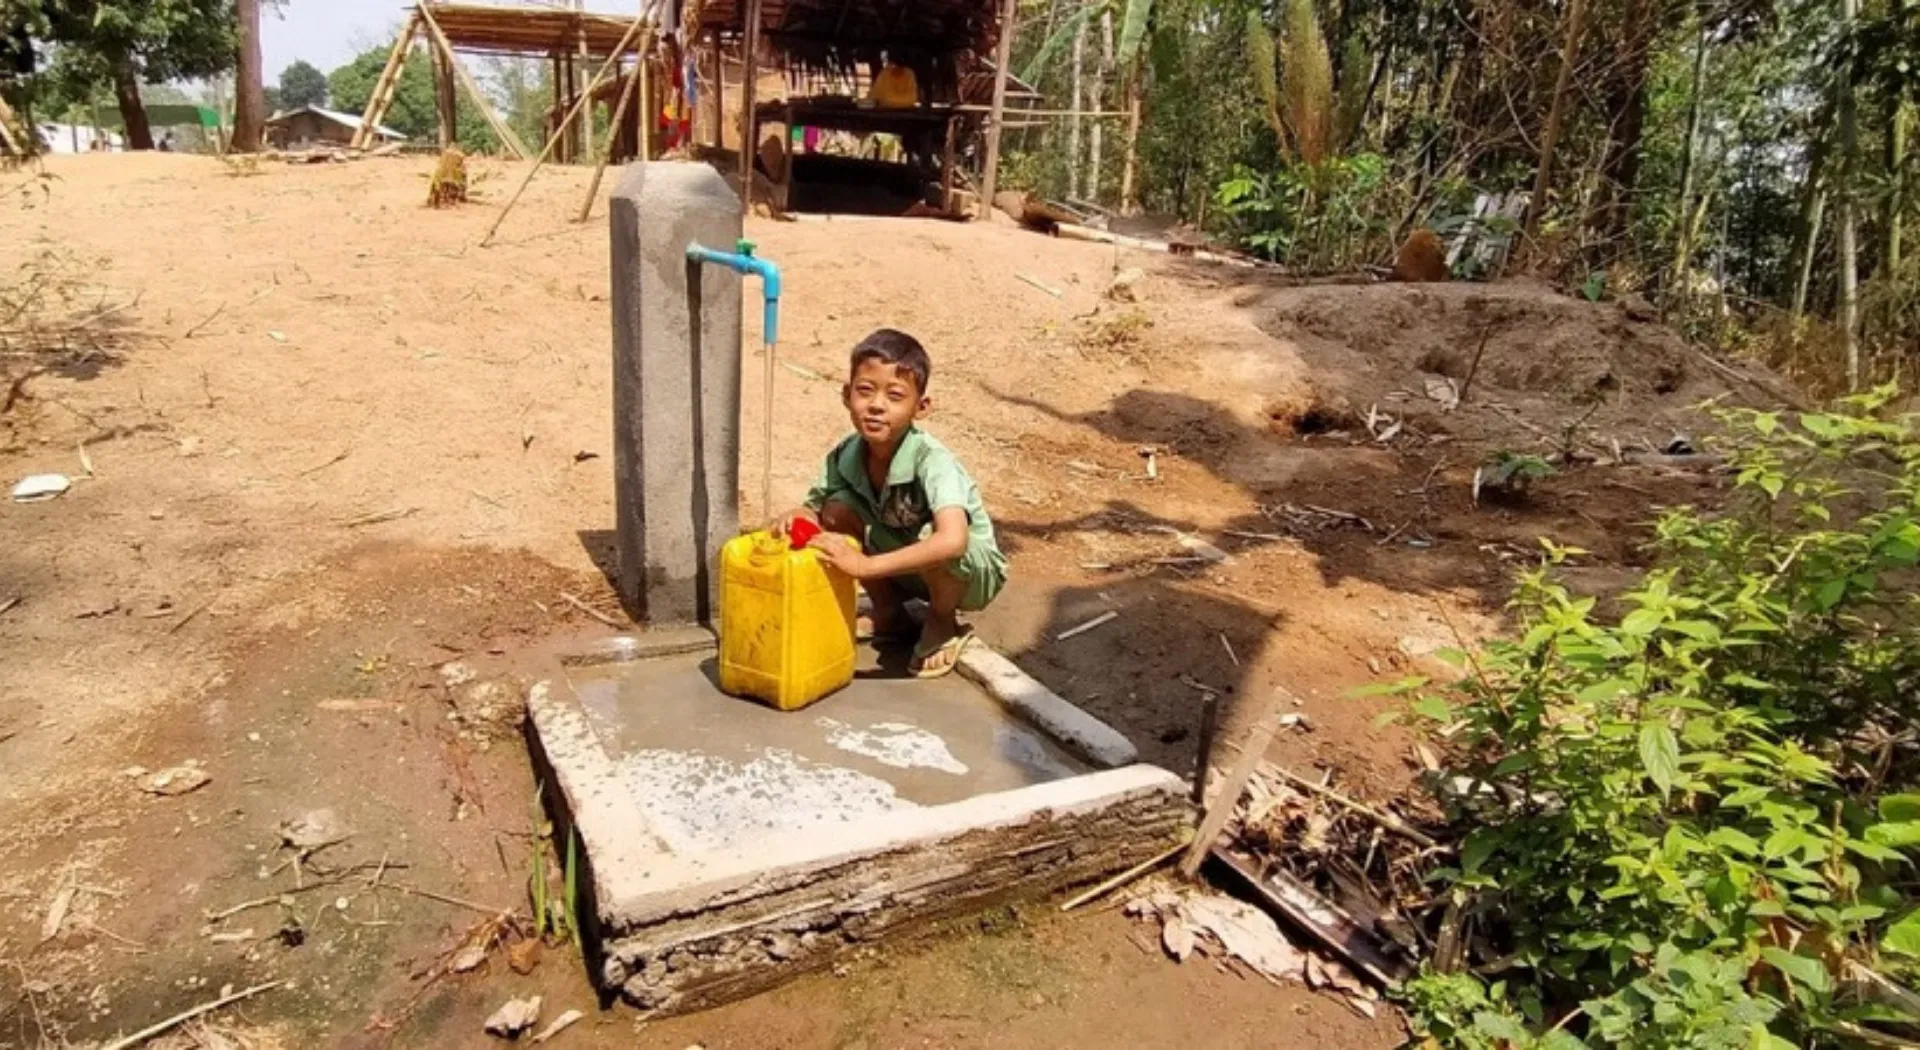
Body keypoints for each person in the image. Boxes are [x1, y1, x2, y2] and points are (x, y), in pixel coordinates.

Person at [774, 329, 1007, 678]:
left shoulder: (932, 460)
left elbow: (953, 541)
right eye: (865, 390)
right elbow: (817, 507)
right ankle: (889, 612)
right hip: (906, 566)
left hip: (969, 574)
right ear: (847, 395)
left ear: (921, 407)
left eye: (895, 396)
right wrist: (798, 515)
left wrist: (864, 566)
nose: (877, 405)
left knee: (936, 536)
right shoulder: (846, 454)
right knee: (836, 510)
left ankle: (942, 621)